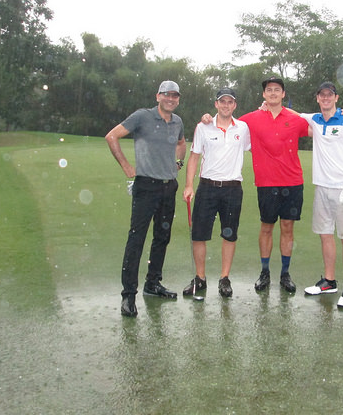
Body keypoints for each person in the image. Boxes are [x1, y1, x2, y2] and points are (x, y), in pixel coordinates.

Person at [105, 80, 187, 317]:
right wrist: (126, 166)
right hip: (146, 186)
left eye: (175, 95)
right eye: (166, 94)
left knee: (162, 237)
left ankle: (153, 283)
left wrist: (179, 162)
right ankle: (128, 295)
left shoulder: (178, 121)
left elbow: (181, 143)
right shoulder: (142, 117)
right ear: (158, 96)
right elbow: (112, 136)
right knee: (136, 239)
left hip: (169, 186)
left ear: (178, 99)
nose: (170, 98)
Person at [239, 76, 310, 293]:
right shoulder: (251, 118)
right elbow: (227, 123)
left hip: (293, 182)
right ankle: (265, 272)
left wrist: (342, 114)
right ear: (263, 94)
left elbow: (320, 127)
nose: (272, 93)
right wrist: (208, 119)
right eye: (269, 90)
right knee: (267, 227)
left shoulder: (295, 119)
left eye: (277, 89)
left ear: (283, 94)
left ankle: (285, 274)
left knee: (287, 227)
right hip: (267, 183)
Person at [182, 88, 251, 298]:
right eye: (223, 101)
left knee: (229, 234)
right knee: (199, 234)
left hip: (233, 188)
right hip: (207, 187)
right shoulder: (203, 127)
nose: (226, 105)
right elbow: (194, 157)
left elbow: (253, 145)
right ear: (216, 104)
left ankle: (224, 278)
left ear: (235, 105)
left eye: (230, 102)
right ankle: (200, 278)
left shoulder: (243, 128)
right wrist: (189, 185)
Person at [301, 82, 343, 308]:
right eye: (322, 95)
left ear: (336, 98)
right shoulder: (315, 119)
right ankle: (329, 281)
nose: (326, 98)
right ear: (317, 98)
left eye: (330, 95)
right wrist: (265, 106)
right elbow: (288, 113)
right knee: (325, 234)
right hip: (322, 187)